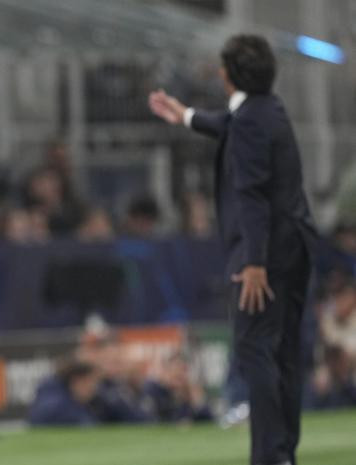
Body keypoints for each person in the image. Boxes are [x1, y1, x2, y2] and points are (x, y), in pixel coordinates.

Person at [149, 34, 317, 465]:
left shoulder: (248, 121)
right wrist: (185, 115)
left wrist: (254, 262)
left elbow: (252, 196)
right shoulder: (267, 110)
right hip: (294, 247)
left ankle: (270, 455)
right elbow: (229, 124)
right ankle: (284, 451)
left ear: (227, 75)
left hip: (265, 253)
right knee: (282, 352)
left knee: (254, 348)